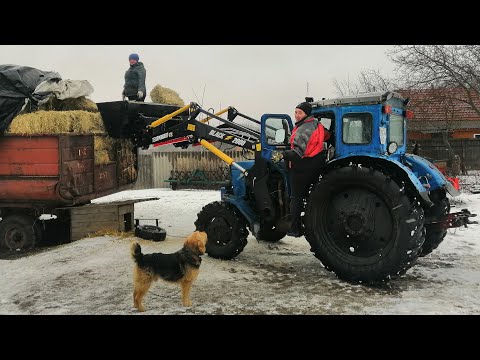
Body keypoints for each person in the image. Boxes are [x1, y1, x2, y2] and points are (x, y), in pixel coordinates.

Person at [278, 101, 330, 237]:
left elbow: (297, 152)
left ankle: (294, 228)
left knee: (296, 198)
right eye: (295, 112)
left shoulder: (304, 129)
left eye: (299, 112)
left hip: (301, 167)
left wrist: (282, 155)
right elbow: (327, 135)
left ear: (306, 113)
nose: (296, 115)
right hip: (314, 165)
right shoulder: (317, 125)